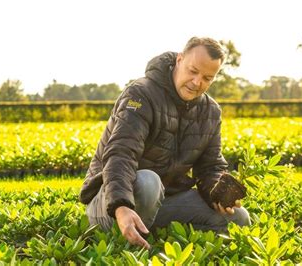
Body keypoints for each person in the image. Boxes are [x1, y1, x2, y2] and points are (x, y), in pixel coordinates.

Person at [79, 37, 251, 249]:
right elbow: (120, 154)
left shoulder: (210, 112)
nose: (197, 82)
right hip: (111, 201)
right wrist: (121, 205)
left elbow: (210, 166)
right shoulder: (141, 94)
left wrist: (216, 192)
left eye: (207, 78)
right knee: (149, 182)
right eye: (193, 71)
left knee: (239, 219)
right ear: (179, 60)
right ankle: (125, 244)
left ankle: (155, 240)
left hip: (165, 199)